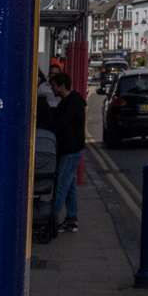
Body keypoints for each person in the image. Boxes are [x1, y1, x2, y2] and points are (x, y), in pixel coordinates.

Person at [50, 73, 85, 233]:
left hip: (70, 150)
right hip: (72, 149)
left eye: (54, 85)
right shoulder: (72, 101)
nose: (52, 88)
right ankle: (72, 219)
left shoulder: (70, 104)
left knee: (62, 185)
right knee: (69, 185)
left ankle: (51, 219)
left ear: (62, 85)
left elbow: (61, 124)